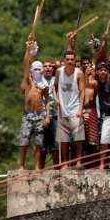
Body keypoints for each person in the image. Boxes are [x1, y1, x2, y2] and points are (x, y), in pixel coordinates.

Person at [16, 34, 50, 170]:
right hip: (28, 114)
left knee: (38, 142)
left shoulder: (44, 84)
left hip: (40, 114)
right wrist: (28, 50)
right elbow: (26, 64)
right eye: (34, 69)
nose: (37, 71)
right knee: (24, 141)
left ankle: (37, 167)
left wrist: (47, 115)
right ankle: (21, 166)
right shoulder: (28, 81)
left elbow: (47, 100)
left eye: (39, 69)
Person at [55, 49, 86, 169]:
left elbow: (82, 91)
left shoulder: (79, 73)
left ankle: (78, 162)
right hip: (62, 109)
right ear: (64, 60)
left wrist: (80, 108)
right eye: (67, 59)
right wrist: (56, 99)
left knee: (78, 138)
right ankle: (65, 164)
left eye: (72, 59)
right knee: (63, 139)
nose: (70, 61)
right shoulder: (59, 72)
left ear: (74, 60)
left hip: (75, 109)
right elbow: (55, 86)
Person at [41, 59, 59, 166]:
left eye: (50, 66)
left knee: (56, 143)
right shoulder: (38, 80)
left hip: (55, 113)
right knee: (42, 143)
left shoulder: (56, 80)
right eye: (45, 66)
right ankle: (40, 168)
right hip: (42, 114)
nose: (48, 68)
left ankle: (56, 167)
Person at [82, 62, 100, 168]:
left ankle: (94, 163)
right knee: (82, 138)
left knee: (93, 138)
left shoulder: (94, 82)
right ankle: (83, 163)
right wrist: (85, 75)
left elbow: (96, 87)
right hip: (82, 110)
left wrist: (93, 75)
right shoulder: (81, 79)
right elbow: (81, 88)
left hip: (92, 111)